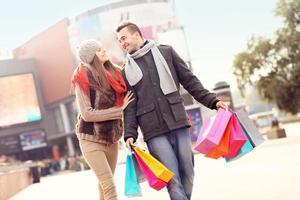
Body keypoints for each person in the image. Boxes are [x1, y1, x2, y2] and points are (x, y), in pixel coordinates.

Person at [116, 21, 227, 200]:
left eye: (124, 38)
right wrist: (130, 133)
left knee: (188, 172)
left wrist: (213, 101)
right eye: (119, 41)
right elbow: (130, 106)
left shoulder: (166, 52)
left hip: (178, 121)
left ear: (136, 34)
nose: (122, 44)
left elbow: (190, 81)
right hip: (153, 131)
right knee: (172, 178)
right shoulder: (125, 72)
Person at [71, 39, 134, 200]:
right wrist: (120, 110)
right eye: (99, 50)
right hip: (90, 139)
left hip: (111, 139)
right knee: (109, 185)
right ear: (91, 56)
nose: (104, 50)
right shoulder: (82, 77)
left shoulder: (116, 73)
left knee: (103, 187)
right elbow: (87, 114)